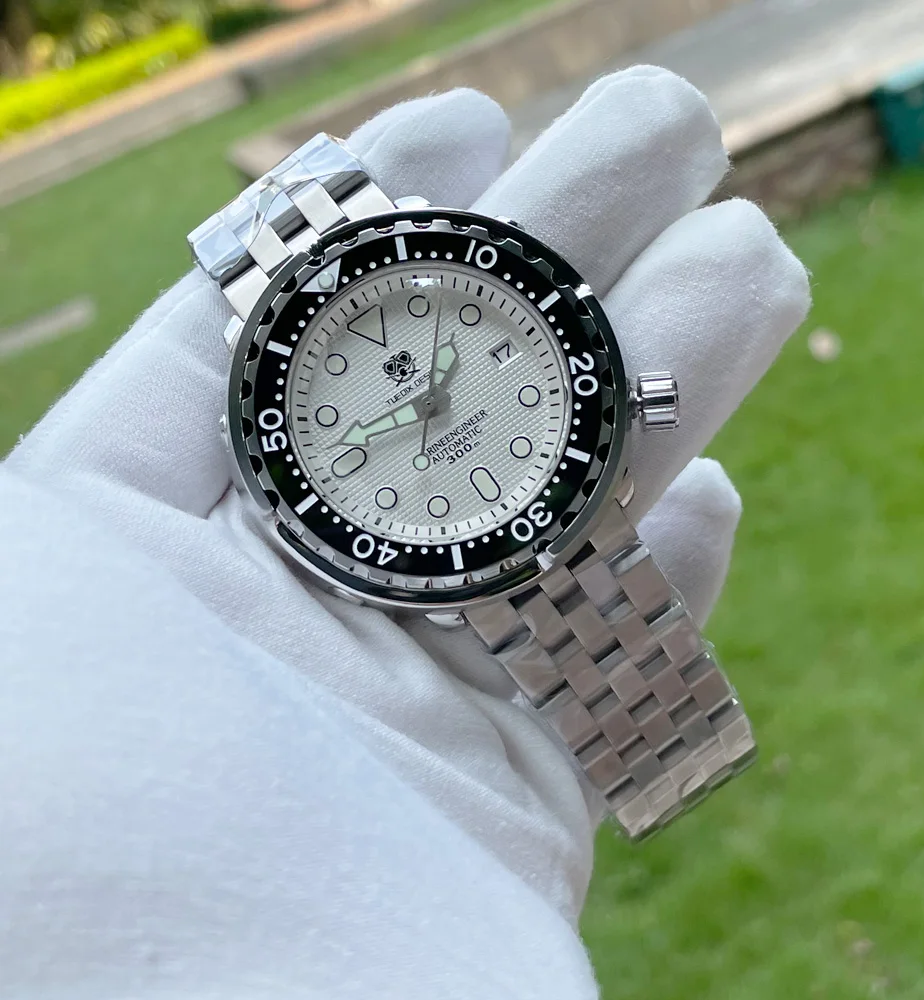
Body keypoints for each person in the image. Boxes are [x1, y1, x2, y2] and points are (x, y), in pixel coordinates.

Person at [0, 67, 809, 998]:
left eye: (435, 388)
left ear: (623, 393)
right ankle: (667, 755)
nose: (428, 409)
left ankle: (671, 750)